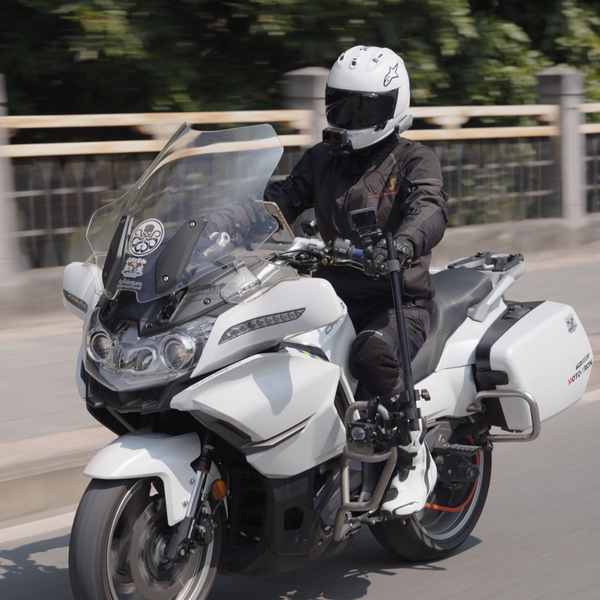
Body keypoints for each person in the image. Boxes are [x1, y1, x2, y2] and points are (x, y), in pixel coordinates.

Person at [263, 45, 449, 518]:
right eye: (341, 103)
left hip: (396, 299)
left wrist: (402, 244)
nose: (349, 117)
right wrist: (225, 220)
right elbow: (280, 200)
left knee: (371, 352)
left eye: (363, 107)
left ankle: (412, 454)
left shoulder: (413, 159)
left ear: (393, 106)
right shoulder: (322, 159)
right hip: (328, 299)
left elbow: (430, 208)